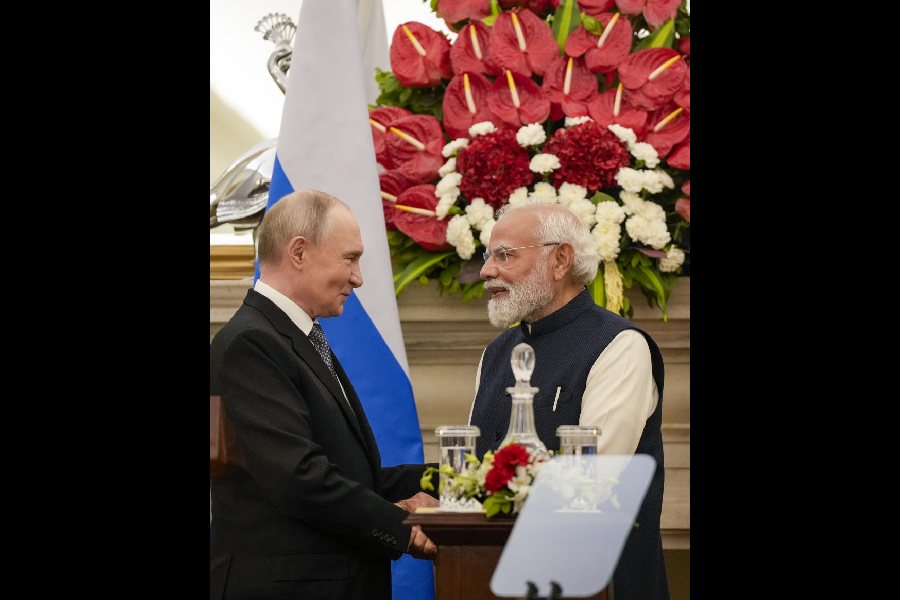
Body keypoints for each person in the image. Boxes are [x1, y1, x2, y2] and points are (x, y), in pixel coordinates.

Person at [210, 189, 438, 600]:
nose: (358, 277)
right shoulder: (251, 344)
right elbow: (298, 477)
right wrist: (401, 527)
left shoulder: (294, 336)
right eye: (349, 258)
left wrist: (461, 479)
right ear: (299, 252)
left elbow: (353, 476)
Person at [468, 199, 669, 600]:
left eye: (504, 255)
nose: (487, 271)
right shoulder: (496, 353)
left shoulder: (619, 346)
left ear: (560, 260)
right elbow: (473, 472)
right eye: (488, 256)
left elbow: (594, 482)